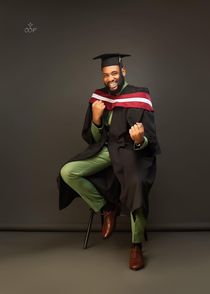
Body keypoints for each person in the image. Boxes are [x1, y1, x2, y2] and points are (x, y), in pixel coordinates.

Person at [57, 53, 161, 270]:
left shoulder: (139, 96)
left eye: (114, 73)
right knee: (68, 172)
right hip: (106, 150)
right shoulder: (99, 97)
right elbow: (94, 140)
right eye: (106, 75)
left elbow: (149, 139)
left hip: (131, 151)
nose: (110, 78)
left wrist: (140, 140)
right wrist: (96, 120)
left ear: (123, 72)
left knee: (136, 183)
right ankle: (105, 209)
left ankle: (136, 245)